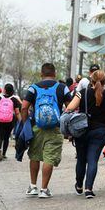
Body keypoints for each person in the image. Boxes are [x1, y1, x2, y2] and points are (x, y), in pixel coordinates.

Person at [21, 63, 72, 198]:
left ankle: (33, 186)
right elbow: (70, 107)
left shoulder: (33, 88)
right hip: (55, 128)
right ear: (54, 74)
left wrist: (25, 123)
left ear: (41, 74)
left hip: (37, 127)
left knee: (35, 156)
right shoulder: (62, 88)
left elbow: (24, 107)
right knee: (49, 157)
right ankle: (44, 189)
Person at [66, 70, 105, 198]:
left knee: (81, 159)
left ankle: (79, 185)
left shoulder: (82, 93)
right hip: (100, 131)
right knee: (93, 159)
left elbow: (69, 108)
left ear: (91, 80)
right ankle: (89, 189)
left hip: (82, 130)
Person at [0, 84, 21, 161]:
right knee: (6, 137)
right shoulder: (14, 99)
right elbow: (17, 112)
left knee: (0, 136)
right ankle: (3, 154)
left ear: (5, 90)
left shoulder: (0, 98)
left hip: (0, 120)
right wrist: (21, 122)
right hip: (10, 121)